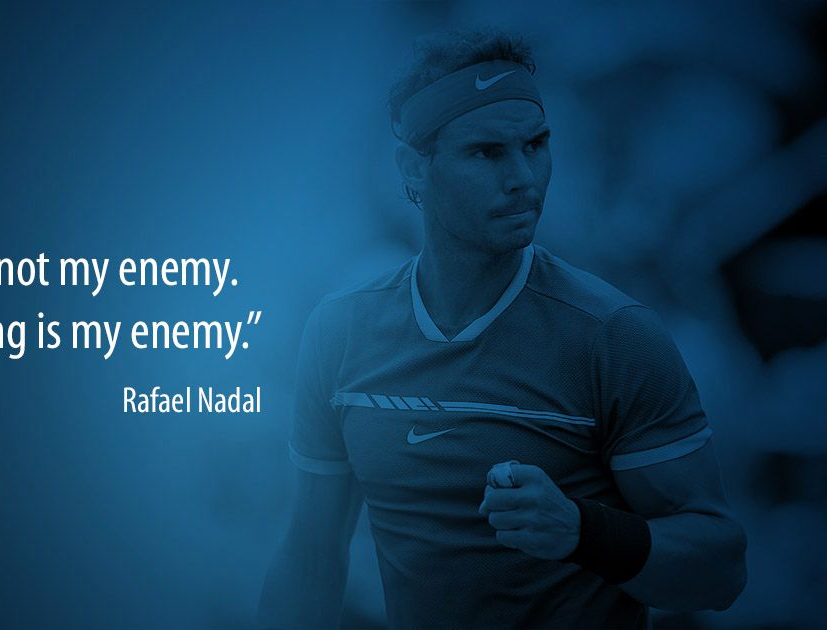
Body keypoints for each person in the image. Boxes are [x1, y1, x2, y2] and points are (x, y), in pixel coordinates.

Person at [257, 30, 747, 629]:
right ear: (413, 169)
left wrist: (583, 532)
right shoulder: (339, 331)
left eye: (536, 145)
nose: (524, 178)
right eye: (486, 153)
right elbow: (310, 560)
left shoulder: (616, 335)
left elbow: (721, 569)